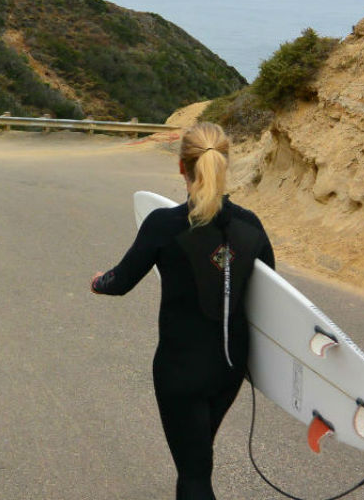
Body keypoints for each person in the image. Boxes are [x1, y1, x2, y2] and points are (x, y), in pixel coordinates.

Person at [91, 122, 275, 500]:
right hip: (230, 368)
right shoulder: (251, 226)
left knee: (194, 475)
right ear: (225, 165)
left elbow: (119, 282)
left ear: (181, 168)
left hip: (181, 368)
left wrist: (97, 281)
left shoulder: (164, 224)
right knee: (197, 458)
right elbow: (269, 297)